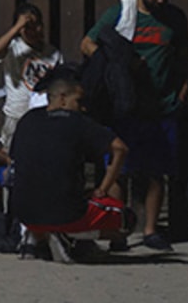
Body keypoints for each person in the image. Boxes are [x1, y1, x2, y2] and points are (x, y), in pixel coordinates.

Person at [80, 0, 188, 250]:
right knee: (120, 169)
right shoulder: (120, 13)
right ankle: (117, 230)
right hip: (125, 104)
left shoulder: (175, 19)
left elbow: (184, 57)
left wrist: (183, 91)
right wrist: (118, 64)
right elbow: (88, 44)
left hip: (161, 104)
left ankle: (151, 229)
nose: (161, 0)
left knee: (156, 170)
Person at [10, 68, 133, 261]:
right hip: (66, 214)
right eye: (79, 101)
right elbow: (120, 149)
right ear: (62, 98)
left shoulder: (27, 120)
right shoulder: (77, 121)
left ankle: (35, 238)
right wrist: (104, 188)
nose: (82, 107)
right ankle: (67, 235)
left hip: (25, 214)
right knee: (126, 219)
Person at [0, 3, 61, 147]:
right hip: (17, 113)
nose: (33, 31)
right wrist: (18, 26)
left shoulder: (52, 53)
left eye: (36, 26)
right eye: (27, 28)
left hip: (42, 114)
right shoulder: (14, 47)